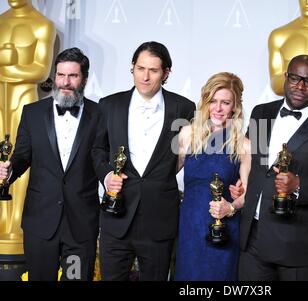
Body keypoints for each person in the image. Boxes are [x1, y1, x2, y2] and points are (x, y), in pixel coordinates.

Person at [238, 54, 308, 281]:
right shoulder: (261, 113)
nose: (300, 86)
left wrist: (299, 185)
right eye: (295, 78)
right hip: (254, 238)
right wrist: (244, 184)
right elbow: (257, 162)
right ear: (285, 77)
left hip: (300, 244)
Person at [92, 41, 196, 281]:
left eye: (153, 70)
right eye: (140, 69)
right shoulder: (109, 105)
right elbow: (97, 149)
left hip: (159, 219)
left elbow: (193, 154)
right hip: (116, 216)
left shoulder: (184, 108)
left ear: (166, 73)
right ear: (132, 68)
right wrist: (107, 176)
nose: (145, 77)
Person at [0, 48, 101, 280]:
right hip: (40, 221)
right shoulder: (32, 112)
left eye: (73, 76)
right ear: (54, 76)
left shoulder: (99, 114)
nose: (65, 82)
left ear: (84, 79)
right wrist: (8, 171)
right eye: (60, 75)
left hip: (80, 224)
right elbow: (22, 156)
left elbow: (101, 160)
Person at [174, 72, 251, 281]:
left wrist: (232, 207)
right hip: (190, 225)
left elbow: (249, 193)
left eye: (225, 102)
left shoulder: (243, 145)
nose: (217, 108)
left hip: (224, 230)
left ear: (235, 106)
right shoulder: (187, 134)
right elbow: (164, 175)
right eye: (213, 101)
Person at [0, 0, 56, 254]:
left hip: (24, 98)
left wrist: (6, 64)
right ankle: (2, 217)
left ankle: (16, 220)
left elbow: (40, 71)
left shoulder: (42, 25)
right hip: (1, 97)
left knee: (20, 157)